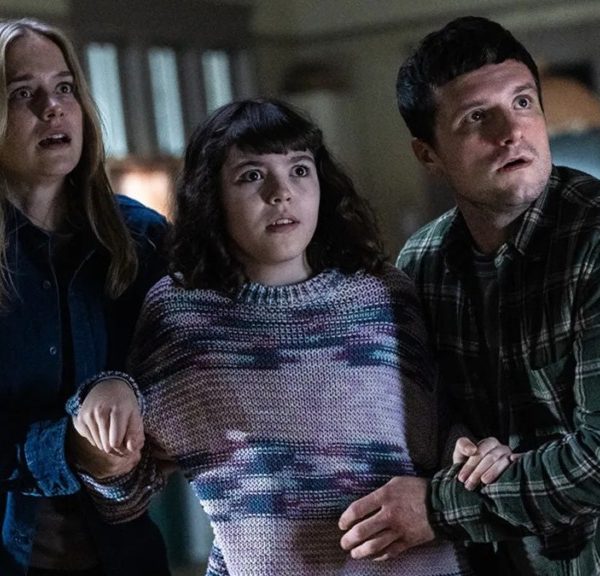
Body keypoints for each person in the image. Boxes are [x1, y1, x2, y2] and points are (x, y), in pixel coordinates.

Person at [67, 98, 518, 575]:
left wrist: (473, 453)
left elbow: (436, 435)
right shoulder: (180, 315)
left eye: (300, 170)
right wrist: (103, 399)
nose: (281, 193)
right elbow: (125, 493)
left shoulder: (383, 293)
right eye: (251, 176)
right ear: (212, 195)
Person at [339, 15, 600, 576]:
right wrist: (459, 444)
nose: (512, 131)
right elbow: (417, 416)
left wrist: (438, 507)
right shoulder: (419, 264)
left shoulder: (593, 242)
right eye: (477, 117)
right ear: (428, 154)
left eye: (523, 102)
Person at [0, 17, 170, 576]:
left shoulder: (142, 237)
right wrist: (64, 449)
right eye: (22, 93)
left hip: (123, 551)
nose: (53, 108)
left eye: (65, 87)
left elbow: (189, 368)